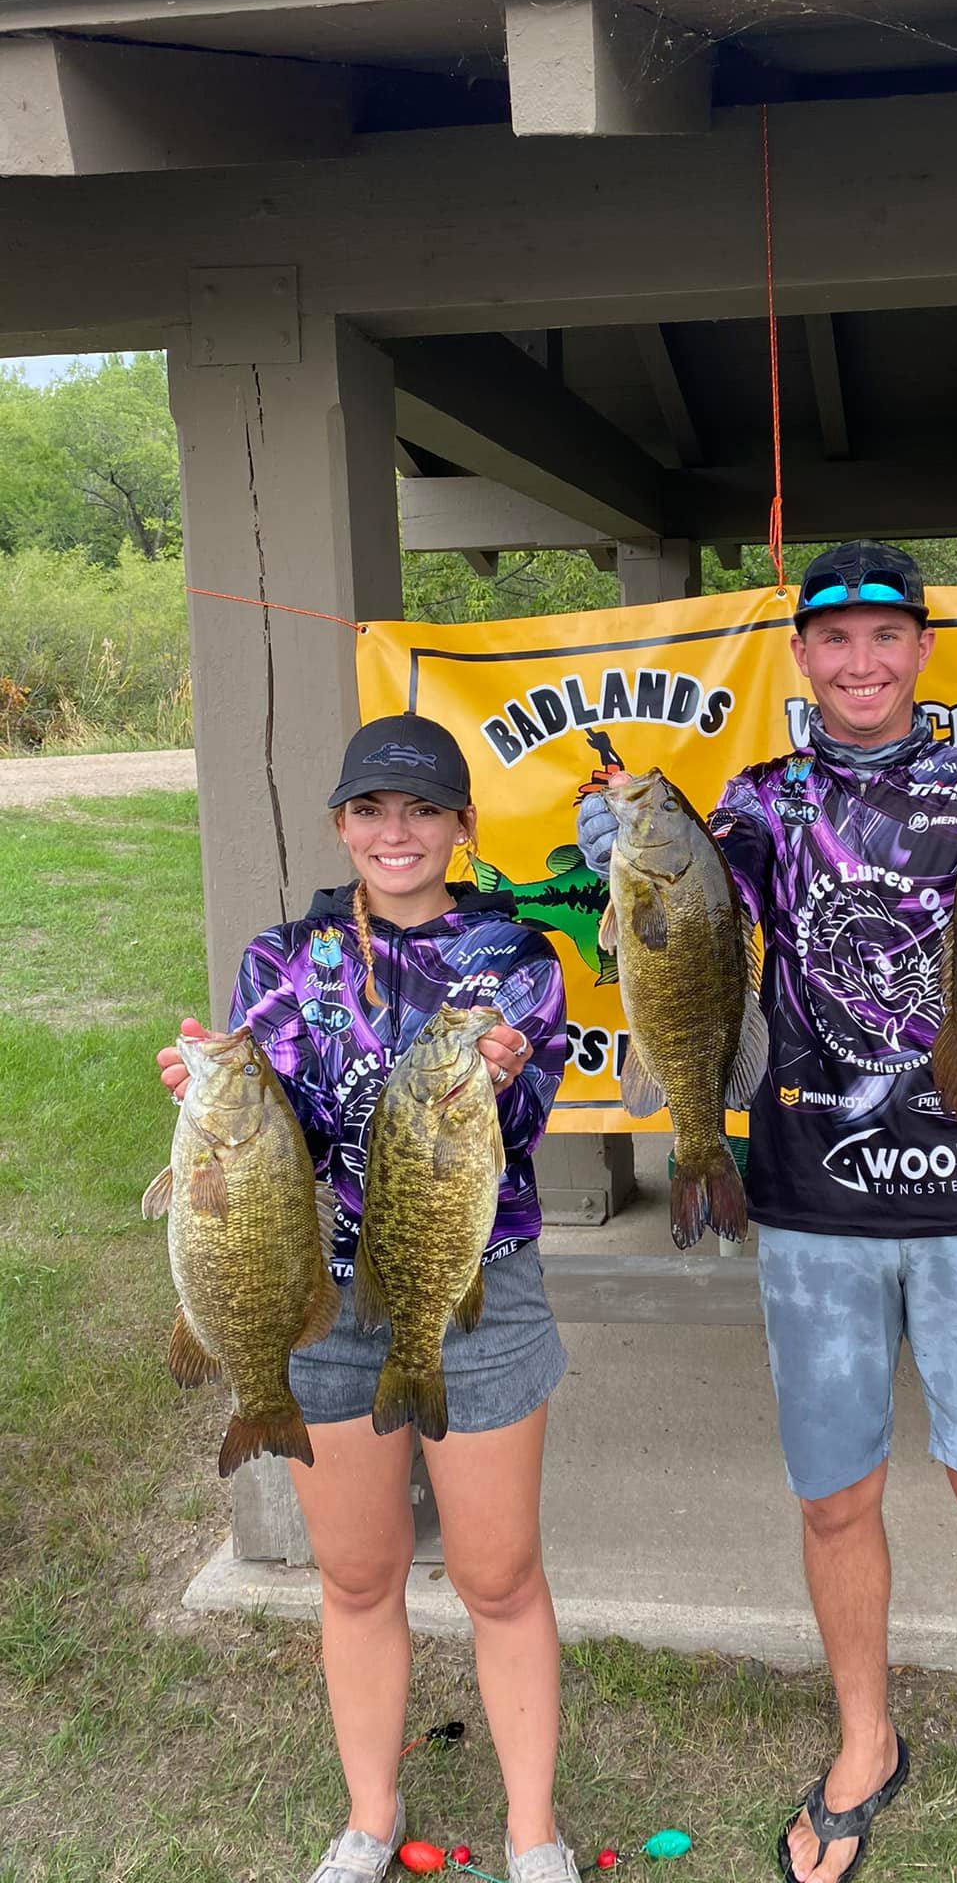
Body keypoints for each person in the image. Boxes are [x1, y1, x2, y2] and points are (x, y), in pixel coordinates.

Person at [577, 542, 957, 1883]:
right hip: (810, 1204)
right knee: (837, 1499)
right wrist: (627, 863)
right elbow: (690, 937)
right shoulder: (756, 802)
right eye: (835, 639)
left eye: (886, 635)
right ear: (802, 656)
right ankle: (865, 1742)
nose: (861, 661)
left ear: (922, 648)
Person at [155, 714, 576, 1883]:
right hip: (322, 1303)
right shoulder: (278, 959)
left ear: (460, 827)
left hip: (472, 1286)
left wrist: (503, 1081)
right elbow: (270, 1134)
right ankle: (369, 1815)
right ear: (342, 824)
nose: (397, 832)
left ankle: (532, 1829)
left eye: (422, 809)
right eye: (372, 810)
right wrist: (207, 1094)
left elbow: (528, 1133)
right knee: (355, 1575)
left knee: (498, 1574)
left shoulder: (517, 955)